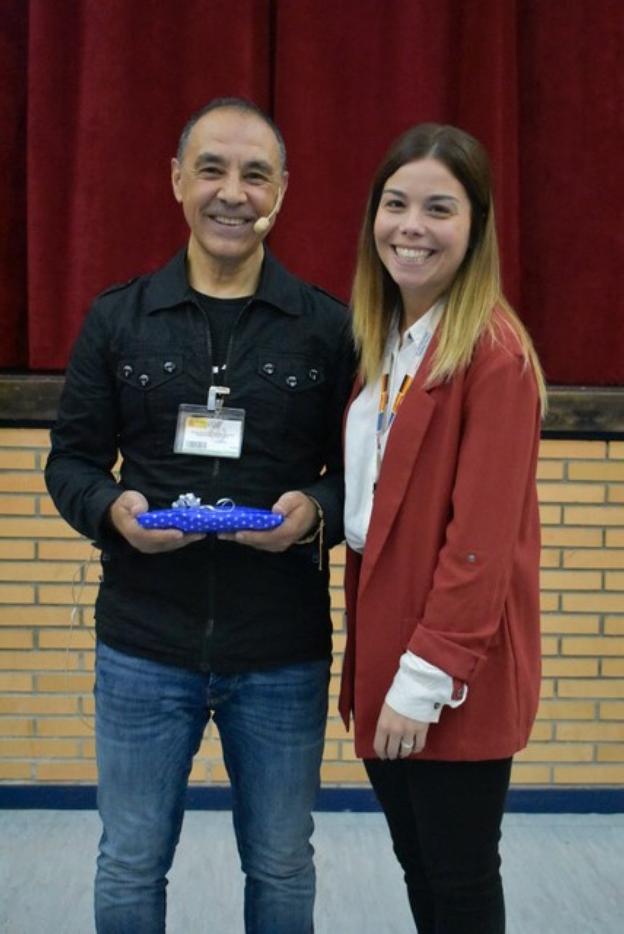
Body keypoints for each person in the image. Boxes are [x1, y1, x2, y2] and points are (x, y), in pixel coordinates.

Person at [45, 97, 354, 934]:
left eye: (255, 174)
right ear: (177, 180)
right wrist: (112, 510)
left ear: (282, 191)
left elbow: (359, 474)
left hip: (281, 651)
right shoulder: (118, 319)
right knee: (131, 863)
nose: (232, 192)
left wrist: (315, 511)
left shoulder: (327, 328)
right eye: (211, 169)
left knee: (284, 863)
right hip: (145, 644)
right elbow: (70, 460)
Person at [339, 123, 546, 933]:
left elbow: (478, 548)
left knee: (458, 881)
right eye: (395, 204)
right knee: (422, 869)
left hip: (451, 671)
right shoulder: (385, 345)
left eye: (439, 208)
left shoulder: (495, 357)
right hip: (388, 650)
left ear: (477, 227)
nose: (411, 227)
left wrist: (420, 686)